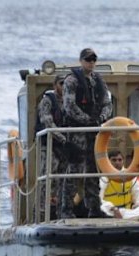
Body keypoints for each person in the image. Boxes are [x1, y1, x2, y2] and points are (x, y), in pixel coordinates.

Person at [60, 48, 112, 218]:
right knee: (74, 170)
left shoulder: (98, 80)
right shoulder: (71, 80)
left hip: (94, 131)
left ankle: (94, 208)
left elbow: (107, 103)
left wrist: (101, 119)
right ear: (81, 60)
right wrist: (87, 120)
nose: (91, 62)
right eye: (88, 59)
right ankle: (66, 209)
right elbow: (69, 106)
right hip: (77, 132)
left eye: (94, 59)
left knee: (92, 170)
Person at [36, 74, 68, 219]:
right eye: (62, 83)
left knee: (64, 178)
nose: (64, 87)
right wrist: (63, 138)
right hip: (49, 146)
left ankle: (62, 210)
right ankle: (42, 211)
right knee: (47, 178)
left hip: (64, 148)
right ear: (55, 85)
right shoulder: (47, 101)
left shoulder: (70, 102)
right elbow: (48, 122)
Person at [99, 151, 139, 220]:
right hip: (111, 211)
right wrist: (112, 208)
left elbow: (138, 195)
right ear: (109, 161)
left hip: (127, 212)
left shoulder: (130, 176)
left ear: (123, 161)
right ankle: (133, 218)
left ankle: (128, 217)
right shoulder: (104, 177)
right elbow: (99, 198)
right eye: (114, 160)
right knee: (102, 208)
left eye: (119, 160)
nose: (117, 162)